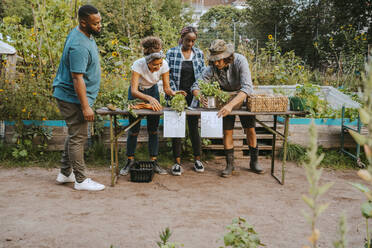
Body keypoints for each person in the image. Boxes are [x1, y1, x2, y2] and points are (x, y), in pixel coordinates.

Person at [52, 5, 105, 190]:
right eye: (95, 23)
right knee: (78, 137)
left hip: (72, 96)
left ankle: (65, 173)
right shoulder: (79, 46)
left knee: (75, 133)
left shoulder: (81, 33)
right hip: (72, 98)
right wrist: (85, 107)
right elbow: (77, 78)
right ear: (83, 22)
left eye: (99, 21)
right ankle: (81, 180)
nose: (100, 26)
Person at [197, 39, 264, 177]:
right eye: (213, 60)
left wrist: (231, 105)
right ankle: (230, 165)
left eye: (219, 60)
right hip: (224, 99)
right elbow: (196, 85)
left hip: (242, 98)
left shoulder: (240, 61)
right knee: (227, 131)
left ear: (227, 57)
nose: (216, 63)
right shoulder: (211, 68)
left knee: (250, 129)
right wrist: (199, 96)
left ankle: (254, 161)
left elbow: (247, 88)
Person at [120, 37, 184, 176]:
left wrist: (174, 93)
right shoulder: (138, 65)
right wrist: (148, 98)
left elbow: (166, 88)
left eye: (160, 64)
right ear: (148, 61)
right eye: (155, 65)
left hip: (153, 91)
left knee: (153, 130)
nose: (158, 68)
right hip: (137, 94)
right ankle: (129, 161)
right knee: (133, 130)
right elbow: (134, 90)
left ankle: (154, 161)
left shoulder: (164, 65)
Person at [166, 26, 206, 176]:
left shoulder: (199, 54)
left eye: (193, 41)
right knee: (176, 127)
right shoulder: (172, 53)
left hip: (193, 95)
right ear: (182, 38)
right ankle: (177, 162)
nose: (190, 44)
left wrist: (198, 92)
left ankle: (197, 159)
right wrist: (175, 93)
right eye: (188, 40)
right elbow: (167, 75)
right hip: (176, 94)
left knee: (194, 126)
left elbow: (202, 76)